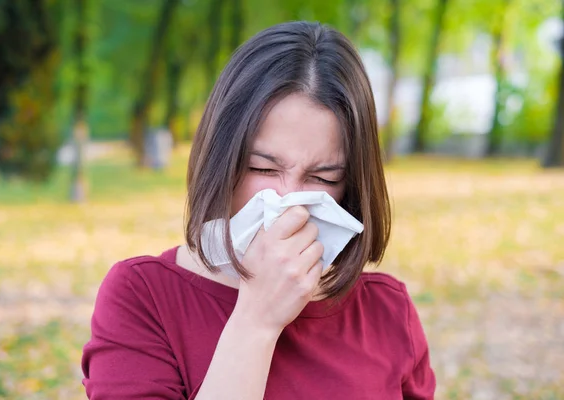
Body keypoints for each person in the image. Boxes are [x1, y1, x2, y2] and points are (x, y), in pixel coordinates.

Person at [81, 21, 436, 400]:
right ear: (222, 159)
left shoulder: (386, 310)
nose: (289, 200)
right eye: (262, 168)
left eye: (323, 177)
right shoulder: (143, 296)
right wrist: (257, 322)